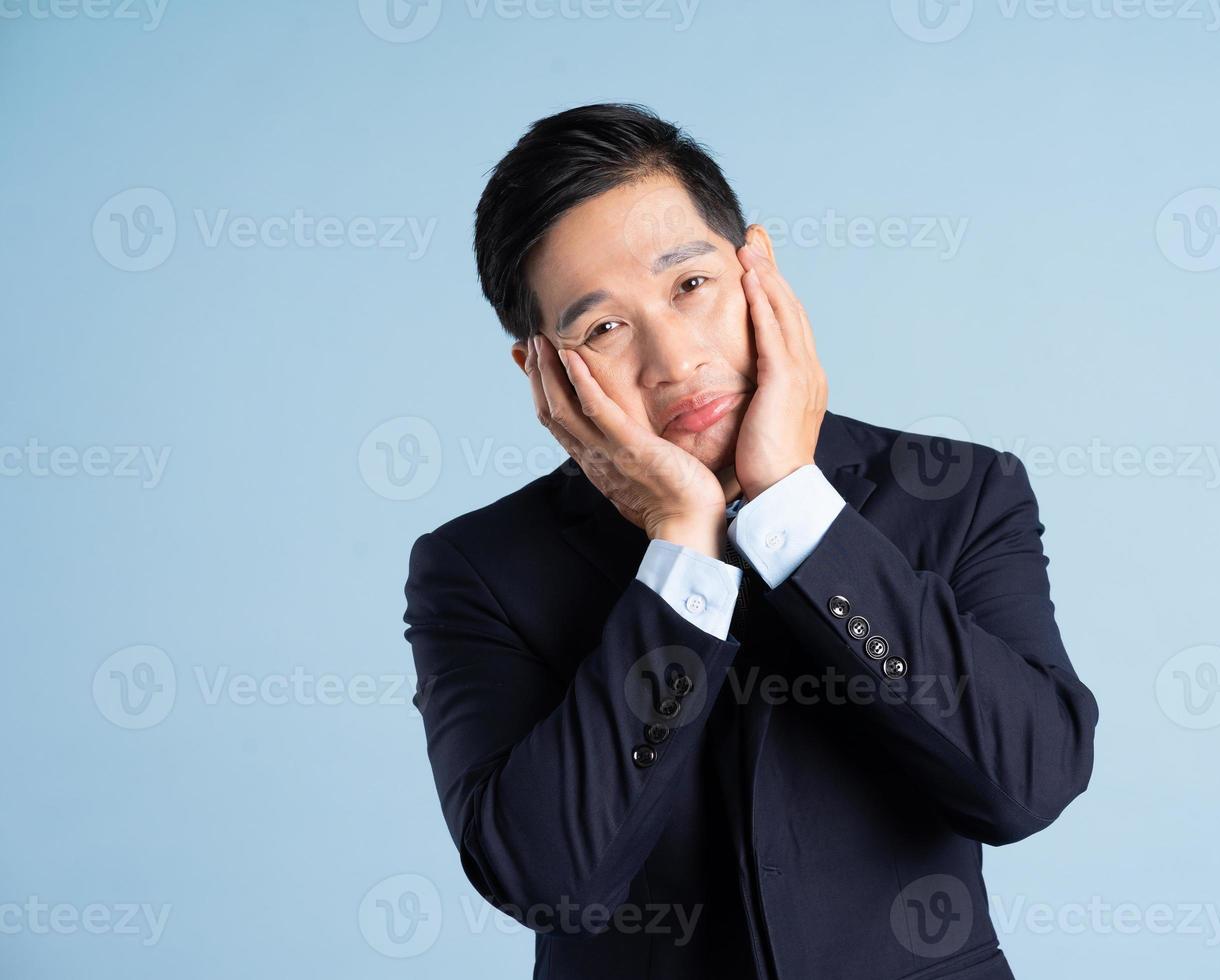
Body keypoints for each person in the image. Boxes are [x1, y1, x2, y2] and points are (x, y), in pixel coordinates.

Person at [403, 102, 1099, 979]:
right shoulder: (478, 570)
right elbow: (544, 879)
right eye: (604, 328)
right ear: (542, 369)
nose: (675, 359)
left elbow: (1025, 781)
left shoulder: (957, 492)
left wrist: (793, 509)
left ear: (754, 267)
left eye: (690, 286)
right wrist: (681, 551)